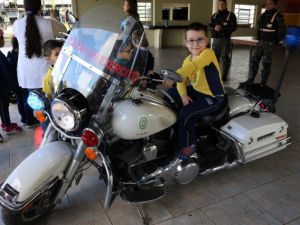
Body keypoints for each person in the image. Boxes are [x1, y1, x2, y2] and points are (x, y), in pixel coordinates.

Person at [173, 22, 225, 160]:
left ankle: (189, 145)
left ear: (206, 41)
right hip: (198, 92)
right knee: (170, 96)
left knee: (186, 113)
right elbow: (181, 81)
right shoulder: (187, 59)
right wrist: (183, 96)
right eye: (191, 40)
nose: (195, 44)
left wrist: (175, 74)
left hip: (213, 97)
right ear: (186, 43)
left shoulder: (208, 53)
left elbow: (195, 66)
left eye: (199, 39)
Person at [13, 0, 67, 128]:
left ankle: (47, 134)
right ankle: (56, 133)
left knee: (40, 108)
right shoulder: (49, 24)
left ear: (25, 7)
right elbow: (64, 30)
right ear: (40, 6)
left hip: (28, 74)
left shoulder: (16, 24)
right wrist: (54, 18)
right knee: (54, 106)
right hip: (47, 74)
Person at [240, 0, 285, 86]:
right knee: (254, 60)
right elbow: (259, 26)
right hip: (261, 42)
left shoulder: (278, 16)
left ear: (275, 5)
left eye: (270, 4)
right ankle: (250, 80)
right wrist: (259, 37)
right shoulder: (264, 14)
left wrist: (275, 41)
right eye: (266, 4)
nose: (267, 5)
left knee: (266, 62)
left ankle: (263, 83)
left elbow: (282, 31)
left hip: (270, 43)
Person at [208, 0, 237, 82]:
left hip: (225, 40)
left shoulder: (231, 15)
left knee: (225, 58)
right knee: (214, 58)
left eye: (223, 4)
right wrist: (214, 28)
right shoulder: (214, 15)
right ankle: (215, 74)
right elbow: (209, 26)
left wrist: (222, 28)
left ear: (226, 5)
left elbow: (233, 27)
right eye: (220, 4)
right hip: (216, 40)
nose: (221, 5)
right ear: (218, 5)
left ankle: (224, 76)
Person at [0, 29, 22, 135]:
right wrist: (13, 85)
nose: (3, 41)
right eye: (2, 38)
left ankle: (5, 123)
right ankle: (8, 126)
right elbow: (6, 71)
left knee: (2, 106)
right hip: (2, 86)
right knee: (4, 105)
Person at [6, 37, 27, 126]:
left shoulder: (10, 54)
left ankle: (23, 118)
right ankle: (28, 119)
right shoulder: (21, 54)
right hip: (22, 81)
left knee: (20, 100)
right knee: (25, 100)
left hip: (15, 82)